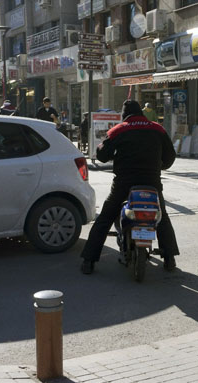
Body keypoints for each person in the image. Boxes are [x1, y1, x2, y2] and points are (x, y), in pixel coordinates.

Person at [80, 100, 179, 274]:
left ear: (124, 114)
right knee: (161, 216)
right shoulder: (157, 128)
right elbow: (170, 155)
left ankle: (89, 260)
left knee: (105, 218)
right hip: (151, 181)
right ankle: (170, 258)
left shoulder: (119, 130)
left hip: (124, 183)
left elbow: (102, 156)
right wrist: (160, 166)